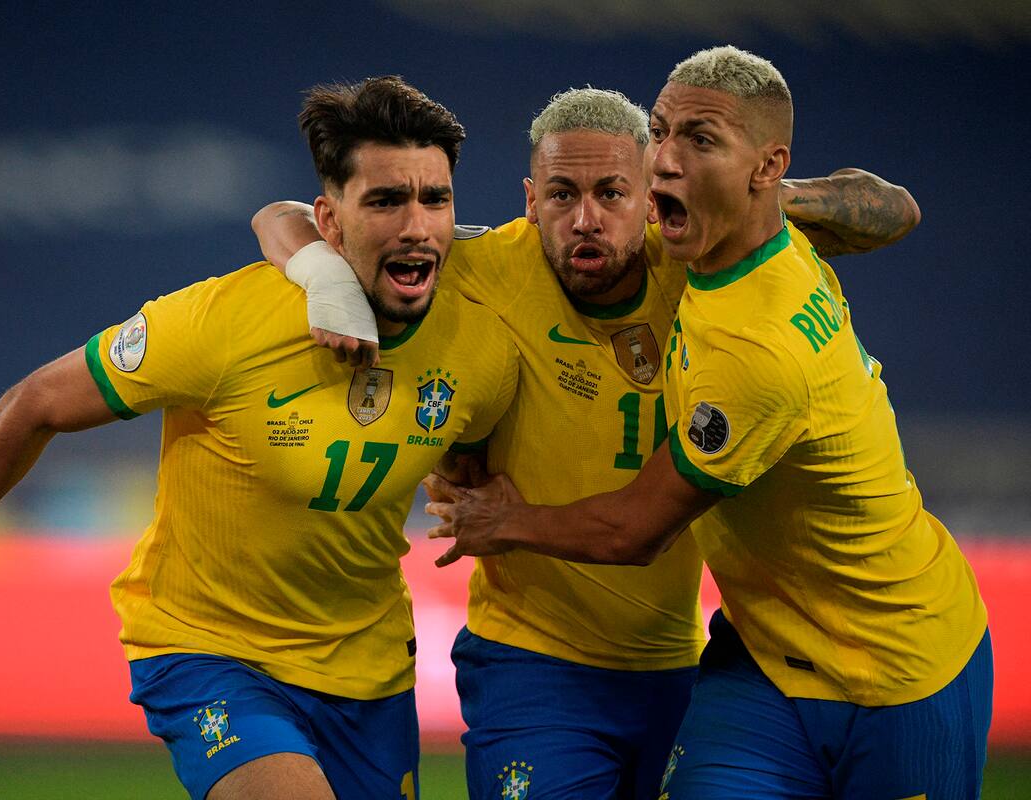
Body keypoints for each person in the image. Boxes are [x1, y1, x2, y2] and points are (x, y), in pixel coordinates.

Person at [253, 88, 920, 798]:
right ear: (531, 200)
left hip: (675, 665)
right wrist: (323, 276)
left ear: (652, 194)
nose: (585, 220)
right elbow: (282, 216)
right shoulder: (486, 266)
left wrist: (752, 194)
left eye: (612, 193)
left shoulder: (699, 251)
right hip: (531, 665)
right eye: (562, 195)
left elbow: (894, 210)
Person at [0, 76, 519, 800]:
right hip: (212, 651)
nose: (416, 225)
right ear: (329, 219)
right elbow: (35, 405)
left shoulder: (484, 321)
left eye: (435, 199)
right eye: (384, 201)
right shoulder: (225, 323)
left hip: (369, 669)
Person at [423, 47, 991, 799]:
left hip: (897, 658)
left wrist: (505, 520)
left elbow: (635, 530)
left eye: (699, 141)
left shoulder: (749, 345)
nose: (665, 161)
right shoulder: (720, 240)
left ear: (763, 167)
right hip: (752, 654)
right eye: (662, 134)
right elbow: (892, 205)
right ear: (533, 200)